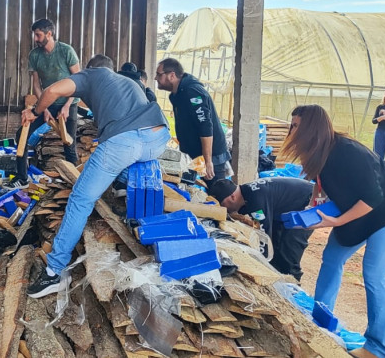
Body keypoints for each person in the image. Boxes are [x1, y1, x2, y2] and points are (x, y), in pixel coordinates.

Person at [25, 55, 170, 298]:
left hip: (125, 142)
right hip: (157, 140)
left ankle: (54, 272)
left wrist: (35, 112)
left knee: (80, 199)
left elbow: (52, 90)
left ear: (90, 70)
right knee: (129, 156)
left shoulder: (91, 75)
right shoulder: (127, 82)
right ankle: (122, 186)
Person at [280, 104, 385, 358]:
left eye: (296, 125)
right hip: (359, 210)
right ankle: (318, 325)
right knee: (331, 259)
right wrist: (314, 204)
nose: (292, 130)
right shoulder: (318, 151)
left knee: (373, 273)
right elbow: (323, 182)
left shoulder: (347, 152)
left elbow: (374, 197)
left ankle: (380, 349)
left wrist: (338, 222)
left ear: (311, 127)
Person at [208, 177, 313, 281]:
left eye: (222, 205)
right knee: (276, 245)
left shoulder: (256, 201)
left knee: (289, 249)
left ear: (232, 197)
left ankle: (293, 286)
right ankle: (278, 276)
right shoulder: (246, 193)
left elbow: (264, 237)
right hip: (286, 207)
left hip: (306, 203)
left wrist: (259, 267)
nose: (223, 209)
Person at [14, 18, 81, 182]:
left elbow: (79, 80)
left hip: (68, 103)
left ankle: (77, 183)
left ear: (49, 34)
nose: (35, 39)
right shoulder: (35, 55)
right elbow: (36, 85)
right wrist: (43, 108)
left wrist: (66, 106)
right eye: (35, 35)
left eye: (38, 35)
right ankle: (21, 179)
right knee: (21, 135)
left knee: (68, 144)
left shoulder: (66, 51)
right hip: (46, 103)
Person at [155, 58, 230, 184]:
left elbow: (205, 126)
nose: (155, 78)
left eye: (159, 74)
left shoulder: (192, 92)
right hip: (194, 157)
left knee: (216, 195)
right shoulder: (177, 94)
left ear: (172, 75)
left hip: (210, 157)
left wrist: (208, 161)